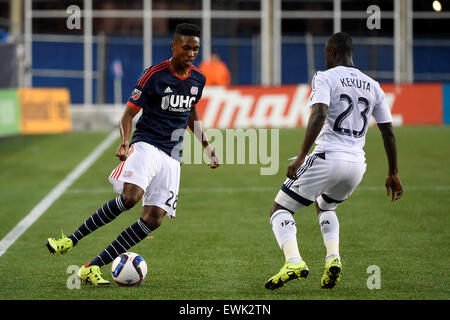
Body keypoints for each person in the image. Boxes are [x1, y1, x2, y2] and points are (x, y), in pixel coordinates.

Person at [45, 23, 220, 285]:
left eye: (196, 49)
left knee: (153, 219)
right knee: (130, 198)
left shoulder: (198, 79)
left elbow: (191, 112)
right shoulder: (154, 75)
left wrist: (206, 146)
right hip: (147, 144)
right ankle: (70, 240)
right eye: (186, 48)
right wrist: (125, 142)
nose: (192, 53)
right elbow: (128, 114)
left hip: (173, 156)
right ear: (174, 46)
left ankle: (91, 267)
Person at [264, 32, 403, 290]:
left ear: (330, 52)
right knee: (326, 207)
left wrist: (302, 156)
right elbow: (388, 132)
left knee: (279, 209)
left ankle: (293, 261)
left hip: (328, 157)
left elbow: (319, 113)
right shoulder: (373, 85)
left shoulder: (325, 77)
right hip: (356, 165)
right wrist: (393, 172)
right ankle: (333, 258)